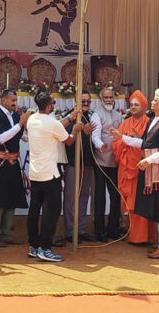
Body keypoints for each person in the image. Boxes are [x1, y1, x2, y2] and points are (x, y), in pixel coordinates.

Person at [112, 88, 159, 259]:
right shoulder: (154, 121)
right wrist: (122, 137)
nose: (152, 103)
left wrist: (149, 160)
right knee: (155, 206)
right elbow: (143, 143)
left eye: (156, 101)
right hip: (151, 169)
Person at [26, 90, 83, 262]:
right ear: (50, 106)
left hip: (35, 173)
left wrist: (70, 118)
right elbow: (69, 140)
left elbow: (55, 126)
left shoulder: (32, 119)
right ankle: (45, 248)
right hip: (50, 174)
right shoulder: (51, 123)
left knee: (34, 209)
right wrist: (75, 130)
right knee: (51, 211)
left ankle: (34, 246)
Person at [111, 90, 155, 244]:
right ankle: (130, 231)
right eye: (131, 105)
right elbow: (116, 143)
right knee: (127, 202)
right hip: (125, 167)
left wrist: (135, 140)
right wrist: (124, 144)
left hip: (141, 168)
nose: (134, 107)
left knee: (139, 202)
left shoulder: (149, 123)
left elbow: (150, 145)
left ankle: (141, 236)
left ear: (143, 106)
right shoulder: (125, 123)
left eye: (137, 105)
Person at [0, 89, 31, 247]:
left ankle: (7, 233)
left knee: (11, 196)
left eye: (16, 100)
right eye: (12, 100)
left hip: (13, 161)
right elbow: (1, 138)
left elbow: (22, 137)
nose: (15, 103)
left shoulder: (15, 116)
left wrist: (26, 128)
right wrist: (20, 124)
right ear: (4, 100)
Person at [63, 92, 96, 242]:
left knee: (83, 197)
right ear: (76, 102)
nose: (86, 103)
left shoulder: (91, 117)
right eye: (83, 101)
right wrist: (82, 132)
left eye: (88, 101)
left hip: (87, 163)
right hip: (73, 163)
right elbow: (68, 140)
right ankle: (71, 231)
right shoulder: (69, 117)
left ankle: (81, 229)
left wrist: (89, 134)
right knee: (71, 198)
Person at [90, 86, 122, 241]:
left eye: (111, 97)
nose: (108, 100)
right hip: (101, 160)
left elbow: (122, 134)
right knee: (100, 196)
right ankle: (99, 231)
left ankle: (113, 228)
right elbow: (95, 135)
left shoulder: (118, 115)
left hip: (115, 161)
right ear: (101, 99)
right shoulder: (96, 114)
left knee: (116, 196)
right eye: (106, 98)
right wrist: (100, 145)